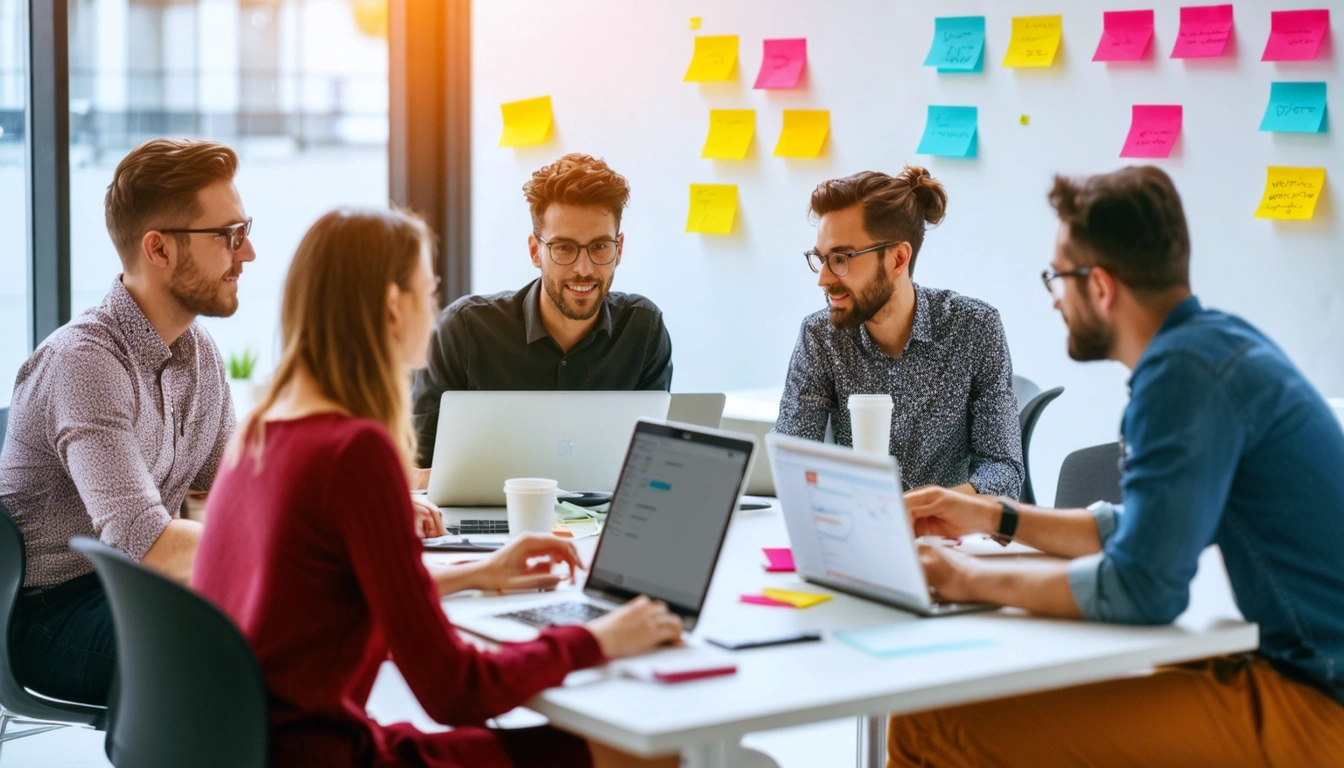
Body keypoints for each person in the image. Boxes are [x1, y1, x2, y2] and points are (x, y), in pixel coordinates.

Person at [192, 208, 682, 768]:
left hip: (257, 748)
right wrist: (598, 639)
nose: (434, 309)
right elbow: (455, 690)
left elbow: (323, 595)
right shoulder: (354, 452)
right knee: (653, 757)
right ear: (395, 306)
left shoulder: (261, 430)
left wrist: (478, 572)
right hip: (329, 754)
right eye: (429, 291)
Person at [891, 166, 1344, 766]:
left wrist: (963, 578)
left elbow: (1144, 586)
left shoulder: (1181, 377)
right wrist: (992, 515)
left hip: (1320, 702)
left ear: (1100, 286)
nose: (1054, 297)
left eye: (1057, 276)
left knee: (928, 727)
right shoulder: (1213, 348)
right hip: (1303, 670)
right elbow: (1137, 531)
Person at [0, 138, 252, 705]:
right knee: (241, 639)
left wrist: (351, 509)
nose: (249, 253)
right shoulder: (83, 362)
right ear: (158, 250)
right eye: (229, 235)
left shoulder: (198, 353)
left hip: (135, 588)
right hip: (51, 611)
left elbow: (237, 490)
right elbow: (148, 544)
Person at [411, 153, 673, 468]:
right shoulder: (463, 329)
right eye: (564, 247)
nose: (583, 268)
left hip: (604, 516)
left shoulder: (643, 329)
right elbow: (417, 468)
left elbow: (651, 465)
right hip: (494, 514)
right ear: (536, 251)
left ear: (619, 250)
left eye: (600, 246)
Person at [774, 167, 1023, 497]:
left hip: (951, 536)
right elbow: (791, 461)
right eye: (821, 258)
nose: (823, 278)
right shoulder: (820, 337)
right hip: (857, 530)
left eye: (840, 258)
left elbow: (1004, 470)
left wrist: (934, 507)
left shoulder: (974, 328)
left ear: (897, 259)